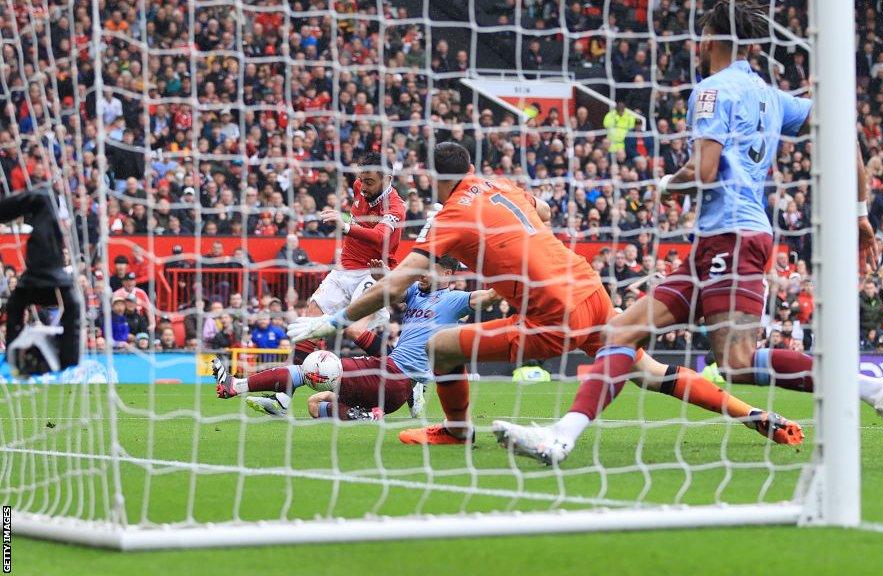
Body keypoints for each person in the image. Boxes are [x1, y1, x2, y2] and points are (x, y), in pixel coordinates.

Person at [488, 0, 883, 463]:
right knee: (620, 334)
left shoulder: (711, 91)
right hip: (719, 242)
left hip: (731, 239)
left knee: (738, 365)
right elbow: (841, 122)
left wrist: (669, 184)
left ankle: (875, 389)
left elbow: (705, 170)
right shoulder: (771, 96)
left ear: (709, 39)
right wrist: (860, 212)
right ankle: (561, 436)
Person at [288, 142, 806, 450]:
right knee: (645, 370)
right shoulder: (501, 186)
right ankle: (757, 416)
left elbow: (396, 282)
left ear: (434, 178)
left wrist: (331, 322)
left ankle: (455, 429)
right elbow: (543, 209)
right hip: (587, 286)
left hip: (552, 310)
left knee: (441, 346)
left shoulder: (450, 216)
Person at [214, 256, 499, 419]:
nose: (422, 272)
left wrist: (515, 276)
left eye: (430, 268)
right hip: (391, 392)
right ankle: (364, 415)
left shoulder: (455, 300)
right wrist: (380, 274)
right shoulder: (414, 293)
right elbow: (391, 288)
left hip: (392, 374)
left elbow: (487, 297)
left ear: (448, 273)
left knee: (315, 366)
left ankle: (236, 385)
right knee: (315, 407)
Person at [229, 153, 407, 414]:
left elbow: (381, 237)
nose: (363, 185)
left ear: (387, 178)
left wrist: (345, 227)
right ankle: (283, 399)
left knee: (355, 331)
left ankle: (405, 377)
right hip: (344, 269)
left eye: (369, 181)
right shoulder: (359, 187)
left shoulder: (396, 206)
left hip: (375, 272)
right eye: (361, 179)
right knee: (308, 324)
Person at [0, 186, 81, 373]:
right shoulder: (50, 220)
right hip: (50, 278)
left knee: (44, 198)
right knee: (45, 198)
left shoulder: (46, 213)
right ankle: (67, 356)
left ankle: (14, 353)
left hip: (40, 278)